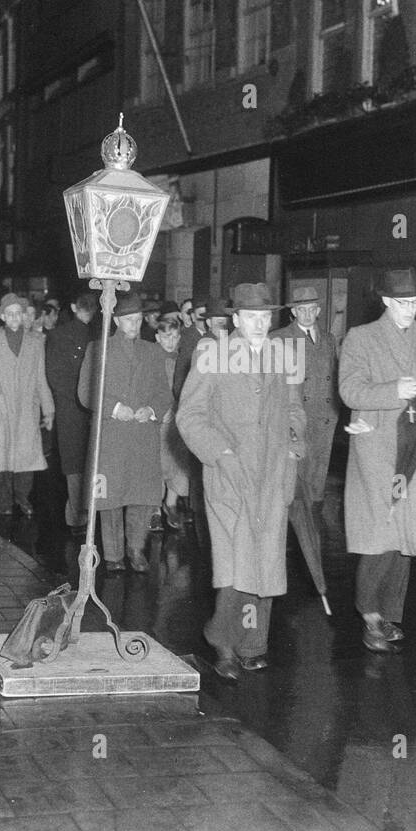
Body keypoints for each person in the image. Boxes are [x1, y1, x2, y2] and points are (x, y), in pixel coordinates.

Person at [177, 282, 306, 680]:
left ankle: (253, 645)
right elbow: (189, 417)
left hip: (271, 474)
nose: (258, 324)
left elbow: (295, 410)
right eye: (250, 317)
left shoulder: (283, 355)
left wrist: (293, 447)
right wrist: (222, 453)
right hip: (229, 475)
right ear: (235, 319)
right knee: (234, 564)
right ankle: (222, 641)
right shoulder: (211, 353)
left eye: (265, 317)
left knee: (265, 564)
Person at [338, 267, 416, 652]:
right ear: (386, 302)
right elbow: (349, 391)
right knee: (381, 535)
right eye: (404, 302)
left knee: (406, 536)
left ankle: (389, 614)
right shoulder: (360, 338)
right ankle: (369, 612)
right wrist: (396, 389)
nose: (411, 308)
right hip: (379, 451)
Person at [78, 291, 172, 573]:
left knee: (141, 497)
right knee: (109, 499)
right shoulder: (99, 349)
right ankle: (114, 555)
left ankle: (136, 549)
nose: (135, 324)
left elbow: (163, 393)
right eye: (129, 320)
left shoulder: (153, 352)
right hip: (111, 436)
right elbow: (85, 392)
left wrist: (152, 410)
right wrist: (115, 408)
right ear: (117, 321)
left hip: (142, 436)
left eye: (139, 319)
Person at [0, 293, 55, 517]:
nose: (14, 317)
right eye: (10, 314)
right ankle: (5, 503)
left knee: (27, 458)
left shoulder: (36, 343)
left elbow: (40, 378)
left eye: (18, 313)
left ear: (24, 316)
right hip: (2, 409)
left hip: (28, 409)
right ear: (3, 317)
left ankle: (23, 498)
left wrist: (48, 409)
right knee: (3, 458)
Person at [271, 285, 339, 505]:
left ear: (318, 311)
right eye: (302, 310)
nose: (307, 314)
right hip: (297, 416)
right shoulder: (279, 339)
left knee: (318, 473)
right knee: (296, 475)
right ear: (293, 312)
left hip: (326, 417)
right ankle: (296, 525)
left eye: (311, 309)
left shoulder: (328, 339)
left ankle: (313, 518)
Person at [45, 291, 96, 530]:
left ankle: (80, 512)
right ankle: (78, 512)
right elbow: (56, 375)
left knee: (80, 461)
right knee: (78, 461)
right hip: (77, 407)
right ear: (74, 307)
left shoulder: (94, 335)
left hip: (80, 408)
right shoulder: (62, 336)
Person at [155, 312, 196, 529]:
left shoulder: (182, 358)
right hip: (157, 417)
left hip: (177, 417)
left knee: (177, 461)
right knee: (157, 463)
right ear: (157, 336)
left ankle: (170, 504)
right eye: (166, 336)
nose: (170, 341)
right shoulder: (151, 359)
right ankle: (154, 507)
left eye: (174, 336)